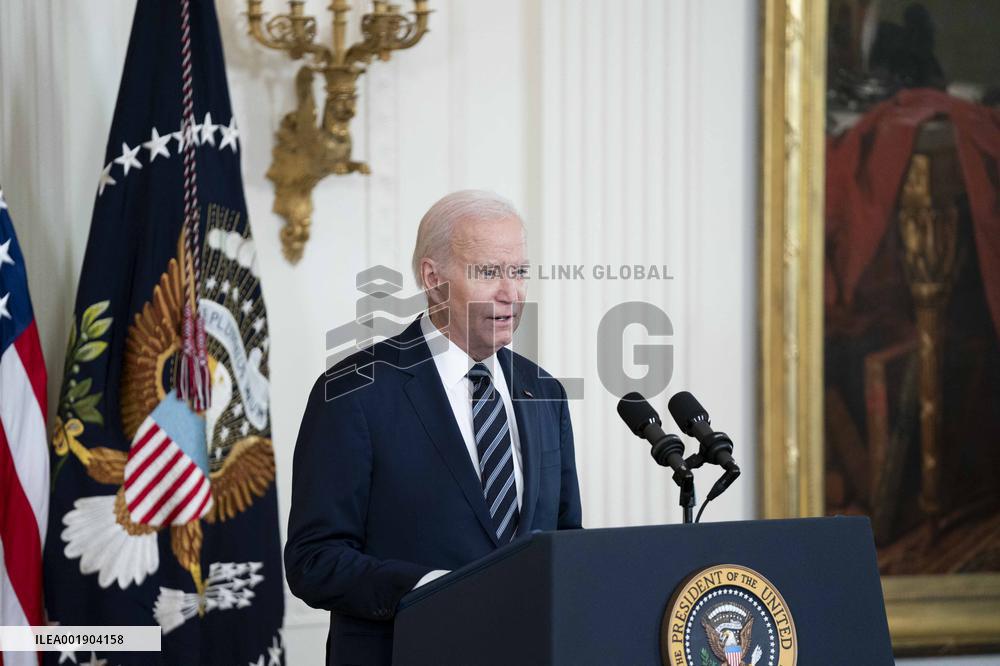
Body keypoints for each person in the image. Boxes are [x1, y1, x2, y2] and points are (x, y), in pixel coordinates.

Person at [284, 190, 583, 665]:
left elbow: (566, 541)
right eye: (489, 272)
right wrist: (430, 589)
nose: (511, 293)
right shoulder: (352, 392)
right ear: (433, 278)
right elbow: (313, 560)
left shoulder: (544, 391)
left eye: (519, 271)